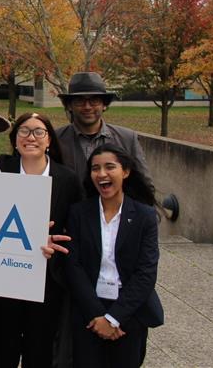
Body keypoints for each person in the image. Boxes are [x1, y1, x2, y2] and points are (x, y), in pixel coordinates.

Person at [0, 112, 82, 368]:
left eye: (38, 132)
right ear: (14, 138)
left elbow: (77, 230)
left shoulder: (67, 179)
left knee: (39, 350)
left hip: (47, 281)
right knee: (2, 348)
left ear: (49, 140)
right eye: (24, 131)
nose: (31, 137)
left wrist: (57, 242)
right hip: (4, 280)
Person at [65, 144, 163, 368]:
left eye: (110, 167)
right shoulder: (79, 213)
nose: (102, 174)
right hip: (89, 312)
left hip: (129, 312)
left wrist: (113, 318)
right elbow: (74, 266)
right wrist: (98, 316)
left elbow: (146, 272)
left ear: (125, 172)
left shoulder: (144, 216)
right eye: (95, 168)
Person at [56, 72, 156, 199]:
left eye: (94, 101)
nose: (87, 107)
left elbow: (145, 186)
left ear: (104, 105)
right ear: (69, 106)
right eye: (80, 101)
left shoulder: (127, 139)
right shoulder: (55, 139)